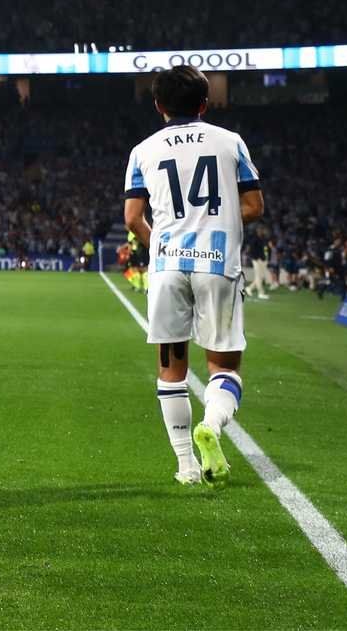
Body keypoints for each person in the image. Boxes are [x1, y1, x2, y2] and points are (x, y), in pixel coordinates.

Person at [123, 64, 264, 487]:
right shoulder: (230, 142)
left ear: (158, 105)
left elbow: (133, 218)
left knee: (171, 369)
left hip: (167, 266)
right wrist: (213, 225)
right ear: (205, 103)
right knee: (225, 365)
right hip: (217, 265)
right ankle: (213, 426)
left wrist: (164, 244)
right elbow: (254, 206)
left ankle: (186, 466)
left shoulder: (142, 150)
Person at [246, 227, 273, 300]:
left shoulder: (264, 239)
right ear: (258, 231)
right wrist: (256, 258)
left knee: (260, 277)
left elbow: (267, 249)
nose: (263, 232)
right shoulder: (255, 239)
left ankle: (249, 288)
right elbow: (251, 250)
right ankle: (260, 293)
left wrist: (267, 258)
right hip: (257, 260)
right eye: (262, 230)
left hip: (263, 260)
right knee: (259, 276)